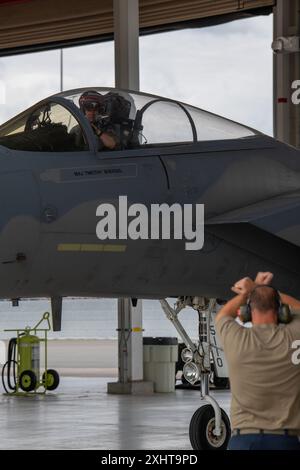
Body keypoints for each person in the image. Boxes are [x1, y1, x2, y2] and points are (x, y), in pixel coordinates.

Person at [215, 271, 300, 450]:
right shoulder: (293, 337)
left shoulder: (236, 339)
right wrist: (266, 291)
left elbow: (223, 315)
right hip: (284, 441)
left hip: (243, 442)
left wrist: (249, 291)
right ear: (281, 312)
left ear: (246, 313)